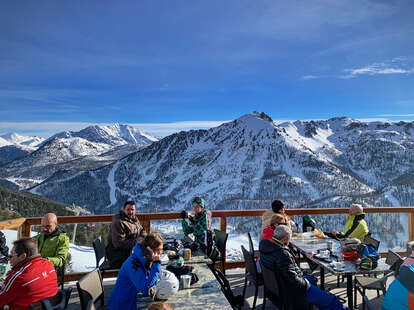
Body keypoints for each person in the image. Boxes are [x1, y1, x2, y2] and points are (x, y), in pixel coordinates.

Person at [259, 225, 349, 310]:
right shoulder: (282, 254)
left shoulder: (265, 245)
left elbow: (288, 272)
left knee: (312, 279)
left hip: (279, 286)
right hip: (292, 290)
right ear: (284, 239)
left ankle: (311, 302)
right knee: (331, 300)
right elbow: (293, 280)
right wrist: (306, 283)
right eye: (289, 240)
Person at [107, 232, 164, 310]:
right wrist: (156, 263)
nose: (160, 253)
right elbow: (146, 289)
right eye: (158, 250)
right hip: (122, 305)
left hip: (132, 300)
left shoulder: (142, 258)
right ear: (149, 250)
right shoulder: (134, 264)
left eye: (161, 250)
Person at [0, 237, 58, 309]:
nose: (9, 258)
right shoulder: (49, 264)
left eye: (11, 255)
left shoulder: (19, 277)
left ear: (22, 256)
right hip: (49, 307)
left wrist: (12, 277)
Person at [107, 200, 147, 268]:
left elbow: (142, 229)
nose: (131, 212)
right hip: (118, 256)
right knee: (146, 261)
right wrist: (136, 241)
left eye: (132, 210)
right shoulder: (118, 222)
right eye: (128, 209)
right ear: (123, 210)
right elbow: (118, 243)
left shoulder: (133, 218)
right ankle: (138, 277)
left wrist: (143, 237)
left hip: (130, 250)